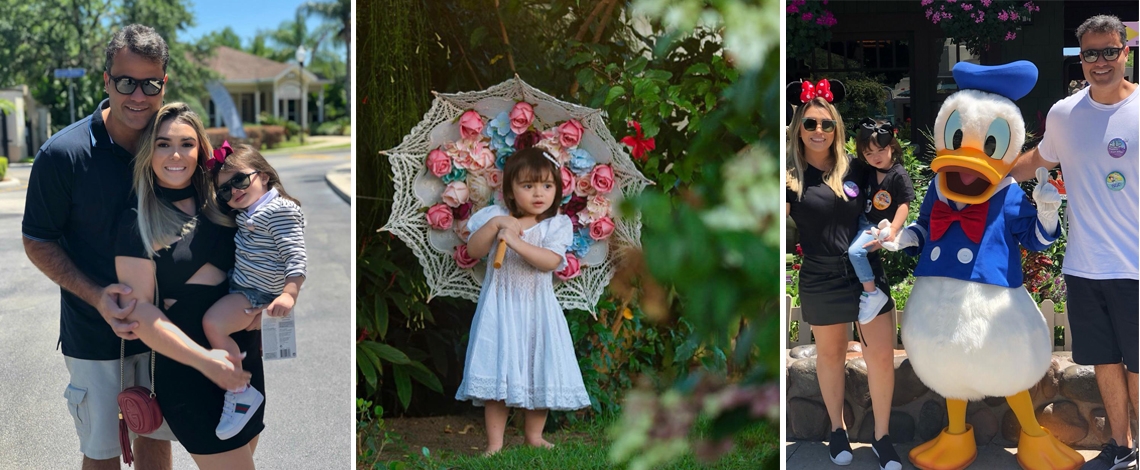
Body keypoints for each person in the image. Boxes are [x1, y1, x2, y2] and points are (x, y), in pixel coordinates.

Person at [20, 24, 240, 469]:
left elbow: (224, 206)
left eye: (150, 83)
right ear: (106, 81)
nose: (137, 95)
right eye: (125, 82)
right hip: (97, 334)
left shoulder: (171, 146)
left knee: (155, 443)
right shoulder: (63, 155)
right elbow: (37, 240)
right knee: (102, 455)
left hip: (169, 333)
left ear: (164, 84)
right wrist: (97, 296)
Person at [1011, 14, 1138, 470]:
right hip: (1085, 266)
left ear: (1126, 51)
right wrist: (986, 173)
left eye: (1109, 51)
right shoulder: (1065, 113)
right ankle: (1120, 449)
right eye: (1090, 53)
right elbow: (1037, 160)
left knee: (1139, 369)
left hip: (1135, 268)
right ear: (1079, 57)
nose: (1100, 62)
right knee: (1105, 363)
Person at [115, 103, 263, 469]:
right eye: (164, 144)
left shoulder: (224, 201)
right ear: (149, 151)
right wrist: (207, 362)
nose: (176, 154)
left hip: (245, 364)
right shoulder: (136, 222)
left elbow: (272, 249)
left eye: (187, 143)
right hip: (189, 372)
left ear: (201, 150)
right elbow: (140, 313)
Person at [786, 96, 901, 470]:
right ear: (799, 130)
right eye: (810, 124)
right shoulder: (789, 176)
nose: (819, 131)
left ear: (837, 128)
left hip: (866, 273)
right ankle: (837, 429)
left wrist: (893, 226)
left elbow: (894, 188)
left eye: (826, 124)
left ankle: (882, 438)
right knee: (831, 357)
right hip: (820, 276)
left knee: (881, 358)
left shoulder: (857, 168)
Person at [453, 146, 591, 455]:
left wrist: (516, 241)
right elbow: (473, 251)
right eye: (527, 186)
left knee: (538, 368)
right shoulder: (495, 217)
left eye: (546, 185)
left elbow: (550, 260)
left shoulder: (556, 225)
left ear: (557, 189)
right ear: (511, 192)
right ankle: (495, 443)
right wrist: (496, 227)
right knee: (497, 373)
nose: (538, 193)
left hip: (537, 311)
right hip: (500, 309)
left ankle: (533, 435)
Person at [201, 143, 306, 440]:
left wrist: (289, 294)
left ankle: (239, 391)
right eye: (224, 190)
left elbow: (295, 257)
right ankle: (239, 390)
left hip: (254, 293)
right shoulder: (252, 210)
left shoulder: (279, 210)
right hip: (250, 291)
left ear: (264, 176)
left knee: (213, 323)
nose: (233, 191)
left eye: (240, 180)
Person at [847, 118, 915, 324]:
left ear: (892, 148)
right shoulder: (869, 171)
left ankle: (871, 292)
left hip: (877, 226)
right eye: (869, 153)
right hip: (863, 219)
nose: (875, 157)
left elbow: (905, 204)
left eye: (880, 151)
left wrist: (893, 229)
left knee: (855, 252)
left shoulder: (898, 175)